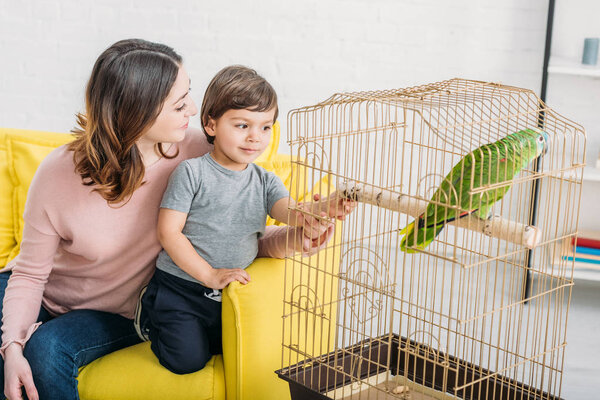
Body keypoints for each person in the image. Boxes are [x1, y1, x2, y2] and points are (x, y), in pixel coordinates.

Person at [0, 39, 333, 400]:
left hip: (121, 311)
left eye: (188, 94)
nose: (193, 108)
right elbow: (31, 274)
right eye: (179, 104)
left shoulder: (200, 156)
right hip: (41, 290)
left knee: (47, 351)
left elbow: (237, 233)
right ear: (137, 113)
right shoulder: (57, 173)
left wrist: (295, 236)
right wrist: (12, 346)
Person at [135, 65, 355, 374]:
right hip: (181, 287)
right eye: (242, 125)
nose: (256, 137)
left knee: (231, 350)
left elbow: (288, 212)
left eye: (265, 127)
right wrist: (209, 274)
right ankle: (149, 319)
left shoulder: (265, 181)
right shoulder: (192, 173)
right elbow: (169, 233)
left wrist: (321, 210)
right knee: (186, 361)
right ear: (210, 125)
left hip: (226, 295)